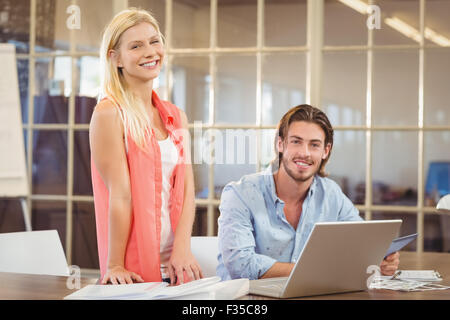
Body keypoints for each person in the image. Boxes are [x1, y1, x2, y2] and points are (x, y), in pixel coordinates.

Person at [216, 104, 400, 280]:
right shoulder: (240, 194)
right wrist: (315, 272)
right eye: (296, 142)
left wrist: (380, 260)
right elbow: (241, 265)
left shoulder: (331, 194)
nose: (305, 153)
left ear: (325, 151)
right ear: (280, 144)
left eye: (314, 145)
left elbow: (362, 245)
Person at [90, 8, 203, 285]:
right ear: (115, 58)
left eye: (154, 41)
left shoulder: (176, 116)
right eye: (136, 46)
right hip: (135, 271)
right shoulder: (109, 113)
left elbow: (187, 190)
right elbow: (120, 195)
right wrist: (114, 264)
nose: (150, 52)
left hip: (176, 267)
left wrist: (182, 248)